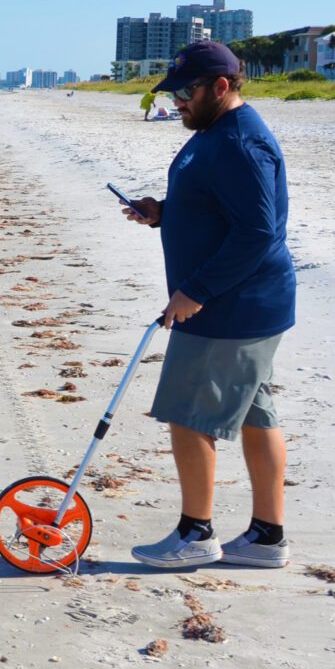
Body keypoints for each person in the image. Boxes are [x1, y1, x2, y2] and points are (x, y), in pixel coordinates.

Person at [120, 40, 296, 569]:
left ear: (221, 86)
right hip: (243, 303)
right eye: (174, 93)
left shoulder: (240, 142)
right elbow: (219, 209)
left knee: (188, 414)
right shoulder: (213, 133)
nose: (178, 102)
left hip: (231, 307)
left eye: (186, 92)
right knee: (255, 413)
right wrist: (164, 213)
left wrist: (196, 291)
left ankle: (196, 534)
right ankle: (267, 537)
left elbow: (258, 231)